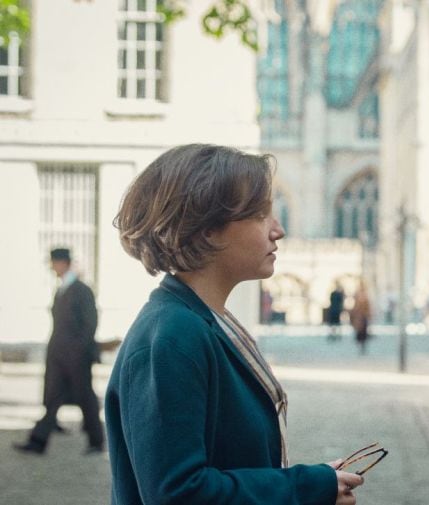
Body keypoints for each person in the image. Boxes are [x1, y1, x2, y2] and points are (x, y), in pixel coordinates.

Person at [106, 144, 363, 504]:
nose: (278, 230)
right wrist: (304, 488)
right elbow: (178, 495)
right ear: (208, 229)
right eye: (261, 215)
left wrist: (314, 481)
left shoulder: (205, 321)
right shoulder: (172, 335)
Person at [14, 247, 104, 455]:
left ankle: (96, 441)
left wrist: (78, 350)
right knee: (53, 397)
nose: (52, 267)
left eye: (54, 263)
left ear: (63, 263)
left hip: (76, 356)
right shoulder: (62, 288)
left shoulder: (81, 289)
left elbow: (90, 323)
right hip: (58, 354)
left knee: (85, 397)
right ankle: (38, 441)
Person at [349, 281, 371, 354]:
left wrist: (369, 314)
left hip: (363, 316)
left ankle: (363, 346)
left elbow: (368, 307)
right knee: (359, 331)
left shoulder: (365, 295)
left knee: (363, 331)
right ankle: (360, 345)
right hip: (359, 316)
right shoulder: (357, 295)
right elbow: (355, 306)